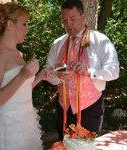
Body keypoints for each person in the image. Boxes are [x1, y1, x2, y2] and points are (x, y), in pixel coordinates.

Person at [46, 0, 119, 141]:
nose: (68, 24)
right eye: (65, 20)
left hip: (90, 107)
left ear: (83, 16)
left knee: (87, 146)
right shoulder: (58, 43)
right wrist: (58, 75)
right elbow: (48, 72)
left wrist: (90, 71)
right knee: (64, 145)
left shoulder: (99, 40)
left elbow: (114, 70)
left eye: (72, 19)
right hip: (64, 107)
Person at [0, 2, 50, 150]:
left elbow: (19, 91)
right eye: (24, 24)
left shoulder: (18, 53)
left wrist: (39, 77)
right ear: (10, 25)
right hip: (10, 125)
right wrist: (22, 75)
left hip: (26, 119)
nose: (27, 29)